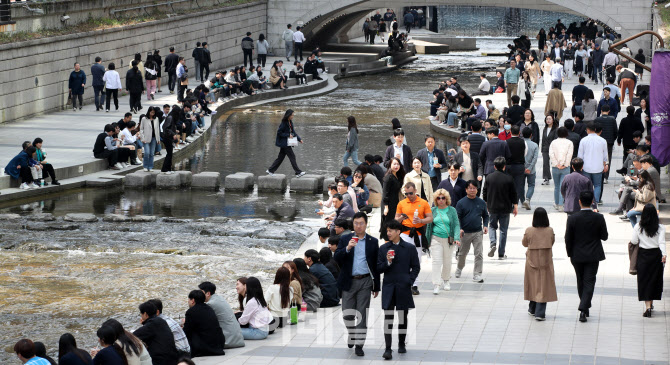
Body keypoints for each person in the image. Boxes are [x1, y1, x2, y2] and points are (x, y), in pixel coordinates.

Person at [333, 212, 380, 356]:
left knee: (361, 314)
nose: (358, 226)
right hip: (349, 280)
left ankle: (359, 344)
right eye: (356, 223)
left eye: (361, 223)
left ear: (366, 224)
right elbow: (337, 257)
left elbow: (376, 265)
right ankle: (352, 333)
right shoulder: (346, 238)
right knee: (347, 314)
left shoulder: (372, 241)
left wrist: (376, 286)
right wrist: (347, 248)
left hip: (365, 281)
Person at [377, 219, 421, 360]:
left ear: (398, 232)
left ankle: (401, 343)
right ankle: (388, 348)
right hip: (389, 286)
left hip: (403, 286)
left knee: (403, 317)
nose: (388, 233)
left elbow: (416, 266)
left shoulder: (409, 248)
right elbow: (378, 268)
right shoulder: (383, 249)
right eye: (387, 231)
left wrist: (410, 280)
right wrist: (388, 262)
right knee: (388, 317)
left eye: (390, 231)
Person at [565, 191, 608, 322]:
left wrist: (570, 253)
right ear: (592, 202)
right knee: (589, 281)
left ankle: (584, 306)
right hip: (593, 255)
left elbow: (568, 238)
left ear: (579, 201)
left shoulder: (572, 218)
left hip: (577, 255)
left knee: (580, 280)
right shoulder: (599, 217)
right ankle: (584, 308)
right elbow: (604, 237)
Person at [394, 181, 433, 294]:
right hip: (405, 233)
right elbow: (395, 219)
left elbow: (430, 218)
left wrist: (421, 220)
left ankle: (414, 285)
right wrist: (401, 218)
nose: (409, 196)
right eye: (406, 194)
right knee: (403, 259)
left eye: (411, 193)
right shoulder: (401, 203)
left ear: (415, 191)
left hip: (418, 234)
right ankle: (405, 283)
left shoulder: (423, 202)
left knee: (416, 260)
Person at [631, 204, 666, 317]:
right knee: (654, 280)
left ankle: (648, 306)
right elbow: (662, 242)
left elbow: (634, 241)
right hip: (656, 255)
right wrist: (664, 254)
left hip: (643, 255)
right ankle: (651, 304)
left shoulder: (638, 226)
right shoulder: (660, 227)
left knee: (644, 280)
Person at [522, 207, 557, 321]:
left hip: (532, 260)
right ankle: (540, 312)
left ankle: (532, 308)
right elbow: (552, 242)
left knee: (533, 283)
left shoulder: (529, 230)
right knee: (543, 285)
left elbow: (524, 243)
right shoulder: (550, 230)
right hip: (545, 260)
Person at [425, 189, 460, 294]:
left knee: (447, 261)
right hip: (436, 239)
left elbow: (456, 225)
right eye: (438, 198)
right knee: (436, 261)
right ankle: (436, 284)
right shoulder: (433, 210)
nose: (441, 200)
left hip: (449, 240)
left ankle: (446, 280)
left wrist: (457, 238)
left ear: (446, 199)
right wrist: (427, 241)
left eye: (443, 198)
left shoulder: (452, 210)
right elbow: (428, 226)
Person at [482, 157, 518, 259]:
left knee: (492, 226)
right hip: (505, 208)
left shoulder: (489, 177)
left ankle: (493, 243)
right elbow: (513, 194)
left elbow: (484, 192)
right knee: (503, 230)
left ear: (494, 166)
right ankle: (501, 254)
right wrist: (515, 207)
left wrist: (486, 204)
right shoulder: (509, 178)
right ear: (504, 166)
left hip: (492, 207)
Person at [455, 180, 489, 282]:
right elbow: (457, 218)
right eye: (470, 188)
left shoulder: (481, 202)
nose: (472, 190)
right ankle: (459, 268)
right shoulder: (461, 203)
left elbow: (486, 216)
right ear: (466, 190)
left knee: (478, 253)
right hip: (464, 233)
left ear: (477, 190)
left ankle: (477, 274)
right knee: (462, 253)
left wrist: (486, 225)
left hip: (478, 232)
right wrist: (460, 228)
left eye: (474, 188)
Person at [198, 282, 245, 349]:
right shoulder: (219, 298)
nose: (199, 294)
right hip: (238, 339)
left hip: (228, 341)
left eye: (201, 292)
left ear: (208, 293)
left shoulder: (211, 304)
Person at [182, 290, 225, 357]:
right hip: (218, 346)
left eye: (189, 300)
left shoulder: (190, 312)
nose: (188, 301)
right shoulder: (210, 309)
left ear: (193, 300)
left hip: (203, 348)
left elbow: (187, 332)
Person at [266, 109, 305, 177]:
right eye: (292, 115)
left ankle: (270, 170)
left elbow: (293, 132)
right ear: (288, 115)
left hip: (286, 143)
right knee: (292, 157)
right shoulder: (284, 123)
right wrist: (287, 135)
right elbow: (279, 132)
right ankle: (298, 172)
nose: (293, 116)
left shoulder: (290, 122)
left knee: (280, 158)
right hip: (285, 143)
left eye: (293, 115)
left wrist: (299, 139)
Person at [548, 127, 573, 210]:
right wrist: (564, 164)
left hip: (555, 167)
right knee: (564, 186)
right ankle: (561, 205)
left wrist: (556, 164)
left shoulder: (553, 142)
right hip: (565, 168)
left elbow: (551, 154)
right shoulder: (569, 142)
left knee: (557, 186)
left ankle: (556, 203)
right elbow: (569, 155)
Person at [381, 157, 405, 240]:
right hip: (389, 204)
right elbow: (385, 193)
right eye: (394, 164)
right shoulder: (388, 177)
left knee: (395, 224)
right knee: (388, 225)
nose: (396, 166)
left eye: (398, 164)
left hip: (396, 202)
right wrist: (386, 207)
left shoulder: (397, 176)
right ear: (390, 165)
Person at [506, 125, 527, 206]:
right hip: (519, 165)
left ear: (510, 132)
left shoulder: (506, 141)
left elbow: (506, 153)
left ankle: (509, 203)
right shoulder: (523, 142)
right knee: (518, 186)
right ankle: (516, 203)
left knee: (509, 185)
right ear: (519, 132)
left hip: (509, 166)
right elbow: (525, 153)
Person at [521, 127, 539, 210]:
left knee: (521, 185)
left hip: (521, 168)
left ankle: (522, 201)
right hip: (531, 170)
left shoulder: (520, 143)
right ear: (531, 135)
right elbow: (535, 158)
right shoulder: (535, 145)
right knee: (531, 185)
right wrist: (530, 167)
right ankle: (527, 199)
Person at [540, 114, 558, 185]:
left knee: (554, 163)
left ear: (553, 120)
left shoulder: (556, 129)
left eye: (550, 119)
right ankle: (546, 178)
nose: (548, 120)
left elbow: (556, 139)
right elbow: (543, 140)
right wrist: (542, 149)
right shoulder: (545, 129)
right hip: (545, 149)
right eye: (547, 119)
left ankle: (556, 177)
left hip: (553, 149)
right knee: (545, 164)